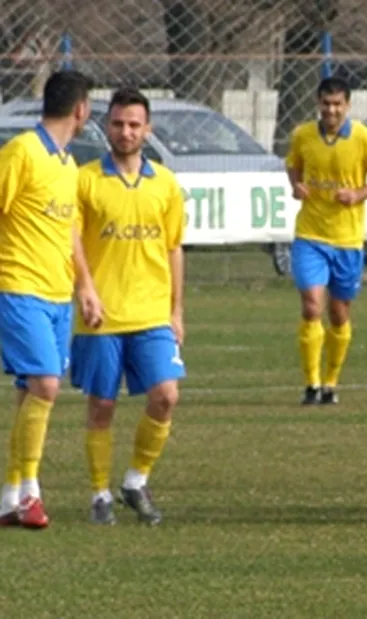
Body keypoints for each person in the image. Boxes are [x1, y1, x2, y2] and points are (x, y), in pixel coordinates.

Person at [71, 88, 186, 526]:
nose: (125, 131)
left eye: (134, 124)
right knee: (102, 405)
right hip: (102, 314)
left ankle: (136, 480)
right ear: (107, 126)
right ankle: (100, 492)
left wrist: (177, 311)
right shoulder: (86, 180)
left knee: (166, 395)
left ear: (148, 129)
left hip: (152, 312)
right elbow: (72, 240)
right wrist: (85, 288)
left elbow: (174, 248)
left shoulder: (165, 184)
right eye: (118, 123)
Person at [0, 70, 99, 529]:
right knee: (46, 385)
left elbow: (70, 230)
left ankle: (9, 497)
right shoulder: (22, 152)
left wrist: (85, 286)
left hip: (58, 294)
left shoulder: (66, 165)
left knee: (30, 394)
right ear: (81, 109)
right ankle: (30, 495)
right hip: (18, 286)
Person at [286, 77, 367, 405]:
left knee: (338, 312)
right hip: (310, 235)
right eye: (326, 103)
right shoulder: (302, 135)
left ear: (347, 105)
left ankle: (331, 381)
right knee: (311, 304)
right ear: (318, 103)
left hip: (347, 240)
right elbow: (293, 166)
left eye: (337, 104)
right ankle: (311, 384)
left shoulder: (365, 138)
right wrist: (296, 186)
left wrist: (358, 193)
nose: (331, 110)